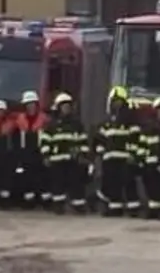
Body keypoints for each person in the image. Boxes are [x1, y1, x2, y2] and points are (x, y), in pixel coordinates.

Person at [97, 87, 141, 217]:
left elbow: (135, 138)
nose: (117, 103)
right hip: (110, 158)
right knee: (112, 184)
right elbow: (101, 138)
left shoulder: (130, 118)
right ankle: (115, 208)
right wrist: (101, 153)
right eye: (114, 101)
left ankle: (134, 209)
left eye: (119, 101)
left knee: (128, 183)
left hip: (125, 157)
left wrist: (132, 154)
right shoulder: (109, 120)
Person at [42, 93, 87, 214]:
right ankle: (58, 206)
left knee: (76, 183)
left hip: (73, 159)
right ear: (58, 107)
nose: (66, 108)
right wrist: (46, 156)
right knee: (57, 183)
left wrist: (82, 154)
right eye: (64, 106)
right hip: (56, 159)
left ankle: (79, 206)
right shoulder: (51, 125)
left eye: (68, 106)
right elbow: (45, 142)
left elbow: (83, 141)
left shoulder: (77, 124)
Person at [13, 91, 49, 208]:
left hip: (40, 151)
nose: (30, 106)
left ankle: (45, 201)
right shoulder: (19, 120)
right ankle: (29, 201)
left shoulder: (44, 119)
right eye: (28, 104)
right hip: (25, 152)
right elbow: (16, 137)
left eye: (32, 104)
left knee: (42, 176)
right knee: (26, 177)